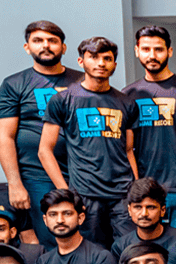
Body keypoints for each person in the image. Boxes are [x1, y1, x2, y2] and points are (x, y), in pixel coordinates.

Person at [39, 37, 139, 246]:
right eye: (93, 57)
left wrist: (135, 189)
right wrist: (65, 191)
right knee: (92, 252)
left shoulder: (126, 102)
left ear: (114, 65)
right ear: (81, 61)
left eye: (107, 58)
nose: (101, 63)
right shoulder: (64, 100)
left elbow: (129, 150)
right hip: (85, 194)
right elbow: (44, 151)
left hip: (122, 194)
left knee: (131, 250)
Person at [0, 20, 77, 216]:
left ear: (63, 48)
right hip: (36, 176)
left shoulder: (81, 82)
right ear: (27, 47)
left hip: (82, 171)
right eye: (38, 40)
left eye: (52, 41)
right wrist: (14, 183)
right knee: (51, 235)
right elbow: (4, 137)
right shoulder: (14, 84)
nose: (45, 45)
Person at [123, 25, 176, 216]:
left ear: (169, 51)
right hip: (145, 188)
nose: (152, 55)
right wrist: (136, 185)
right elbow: (127, 148)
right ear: (137, 51)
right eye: (146, 49)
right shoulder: (127, 95)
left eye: (158, 49)